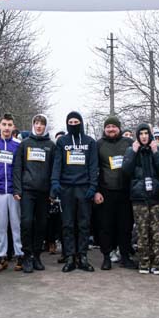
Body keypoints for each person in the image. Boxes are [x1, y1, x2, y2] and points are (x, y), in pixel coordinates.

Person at [51, 111, 98, 272]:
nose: (73, 125)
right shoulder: (62, 142)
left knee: (84, 224)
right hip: (66, 188)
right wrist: (55, 182)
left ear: (81, 123)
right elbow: (57, 163)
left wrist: (93, 186)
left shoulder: (90, 142)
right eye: (70, 122)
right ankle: (70, 256)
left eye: (75, 122)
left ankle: (82, 256)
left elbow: (93, 165)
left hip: (84, 188)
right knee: (68, 224)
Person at [13, 113, 56, 273]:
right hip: (27, 191)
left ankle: (37, 255)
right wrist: (17, 189)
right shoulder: (24, 144)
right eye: (36, 123)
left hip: (44, 192)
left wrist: (53, 191)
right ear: (33, 125)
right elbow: (18, 167)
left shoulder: (51, 145)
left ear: (45, 126)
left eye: (42, 124)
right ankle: (27, 255)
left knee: (41, 224)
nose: (39, 126)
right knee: (26, 222)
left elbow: (54, 169)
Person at [122, 123, 159, 274]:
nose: (144, 136)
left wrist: (155, 152)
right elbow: (125, 171)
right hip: (139, 196)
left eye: (146, 133)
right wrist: (133, 153)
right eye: (141, 134)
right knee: (142, 231)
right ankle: (144, 262)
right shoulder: (131, 150)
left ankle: (157, 264)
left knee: (156, 231)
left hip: (156, 196)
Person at [95, 115, 136, 270]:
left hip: (125, 192)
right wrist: (96, 191)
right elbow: (94, 168)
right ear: (104, 129)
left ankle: (125, 256)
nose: (111, 129)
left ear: (119, 128)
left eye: (114, 126)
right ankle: (106, 257)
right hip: (105, 191)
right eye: (108, 127)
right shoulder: (99, 144)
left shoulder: (128, 143)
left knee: (125, 226)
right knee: (106, 226)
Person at [0, 113, 23, 272]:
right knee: (0, 226)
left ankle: (19, 254)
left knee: (16, 224)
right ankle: (0, 256)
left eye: (9, 125)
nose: (7, 128)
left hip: (14, 191)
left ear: (13, 127)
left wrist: (18, 189)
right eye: (4, 124)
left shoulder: (19, 145)